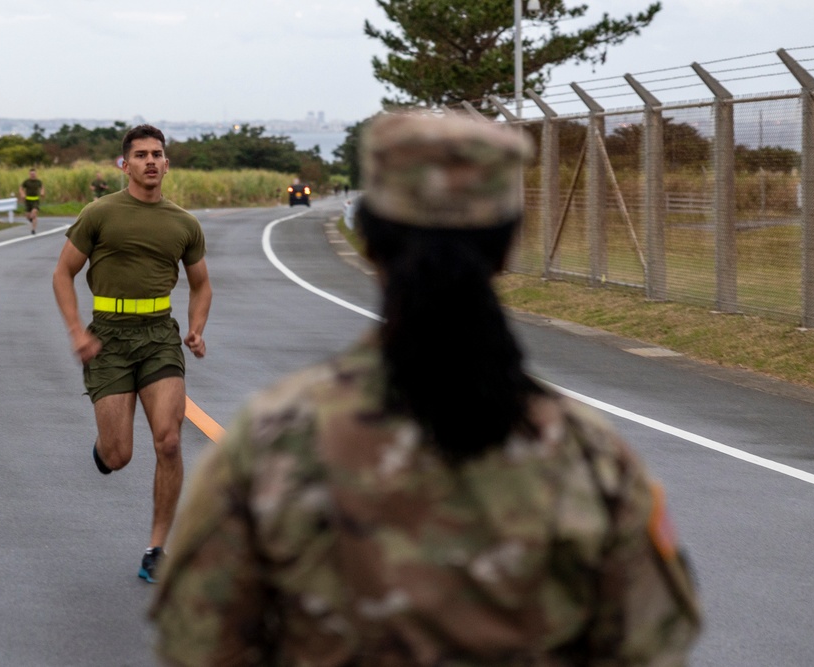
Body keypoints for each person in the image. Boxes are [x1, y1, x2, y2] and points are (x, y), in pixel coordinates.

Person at [150, 112, 700, 664]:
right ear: (509, 248)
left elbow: (197, 645)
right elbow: (650, 648)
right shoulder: (591, 460)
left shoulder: (273, 443)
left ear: (367, 243)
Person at [52, 124, 213, 584]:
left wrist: (197, 328)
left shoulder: (183, 223)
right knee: (120, 453)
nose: (149, 161)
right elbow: (63, 273)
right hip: (108, 338)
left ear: (166, 164)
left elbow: (201, 284)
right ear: (125, 164)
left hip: (159, 335)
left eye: (156, 154)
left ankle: (156, 548)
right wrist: (75, 333)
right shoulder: (99, 213)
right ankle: (105, 451)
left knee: (169, 439)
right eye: (139, 154)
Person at [19, 168, 45, 235]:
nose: (33, 175)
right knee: (28, 216)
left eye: (34, 174)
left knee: (34, 214)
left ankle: (33, 230)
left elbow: (42, 187)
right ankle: (31, 220)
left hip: (35, 200)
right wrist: (22, 194)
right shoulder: (27, 182)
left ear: (36, 174)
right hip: (28, 201)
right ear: (29, 174)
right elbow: (21, 188)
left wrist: (42, 192)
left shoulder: (38, 182)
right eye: (31, 174)